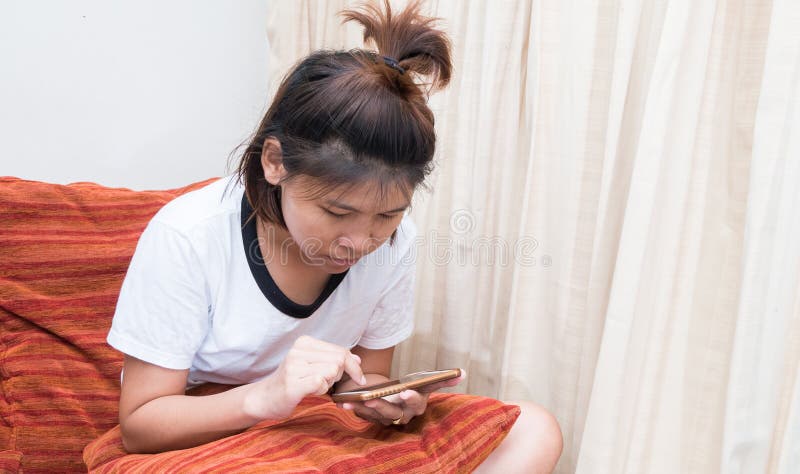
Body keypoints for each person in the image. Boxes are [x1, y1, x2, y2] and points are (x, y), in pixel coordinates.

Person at [107, 1, 562, 472]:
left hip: (315, 431)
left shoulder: (396, 243)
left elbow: (366, 375)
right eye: (337, 212)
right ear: (275, 162)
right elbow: (140, 425)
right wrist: (265, 397)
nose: (360, 242)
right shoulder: (188, 235)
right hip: (204, 437)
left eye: (387, 214)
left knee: (531, 428)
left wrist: (377, 400)